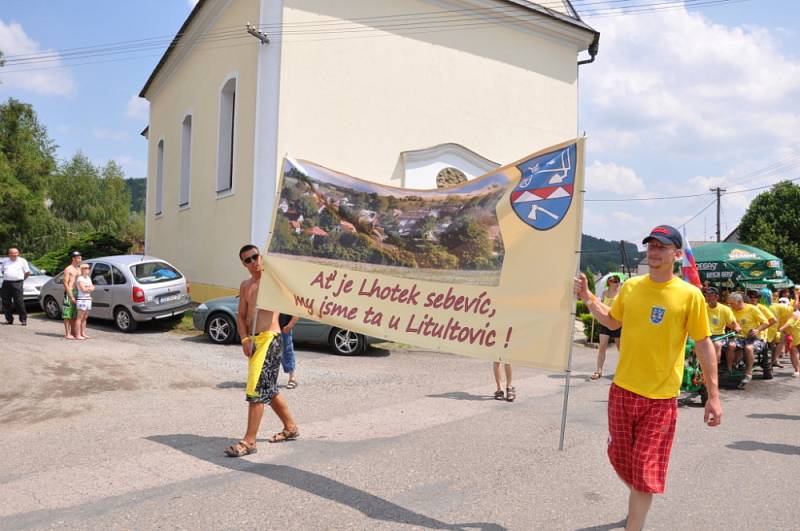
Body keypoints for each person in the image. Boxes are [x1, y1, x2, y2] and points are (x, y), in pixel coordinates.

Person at [574, 225, 721, 531]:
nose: (654, 252)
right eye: (651, 246)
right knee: (620, 459)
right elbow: (612, 320)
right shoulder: (631, 287)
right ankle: (638, 500)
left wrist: (714, 397)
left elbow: (705, 345)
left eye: (662, 247)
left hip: (661, 397)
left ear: (677, 254)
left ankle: (635, 523)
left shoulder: (690, 295)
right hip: (623, 391)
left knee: (643, 469)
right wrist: (588, 297)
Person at [224, 244, 299, 457]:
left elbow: (295, 300)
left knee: (256, 388)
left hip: (270, 339)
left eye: (255, 256)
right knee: (268, 388)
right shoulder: (246, 285)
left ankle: (249, 441)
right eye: (247, 260)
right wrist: (244, 338)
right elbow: (241, 316)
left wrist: (292, 322)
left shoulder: (271, 281)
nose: (253, 262)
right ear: (243, 264)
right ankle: (290, 427)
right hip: (254, 341)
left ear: (261, 256)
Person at [726, 292, 770, 384]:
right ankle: (730, 369)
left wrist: (757, 330)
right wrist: (733, 327)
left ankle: (748, 373)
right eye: (729, 304)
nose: (730, 306)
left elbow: (766, 322)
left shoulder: (752, 309)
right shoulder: (731, 310)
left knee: (749, 348)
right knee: (731, 345)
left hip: (754, 338)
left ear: (739, 301)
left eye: (732, 303)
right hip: (739, 337)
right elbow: (727, 322)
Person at [592, 275, 622, 380]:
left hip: (617, 323)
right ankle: (598, 370)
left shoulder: (620, 294)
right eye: (614, 281)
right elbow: (599, 304)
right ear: (609, 282)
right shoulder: (604, 293)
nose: (617, 283)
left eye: (618, 281)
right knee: (602, 346)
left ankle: (622, 371)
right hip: (605, 323)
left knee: (620, 348)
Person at [704, 286, 739, 363]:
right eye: (706, 295)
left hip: (719, 336)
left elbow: (734, 323)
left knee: (717, 345)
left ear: (717, 297)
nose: (707, 298)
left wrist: (736, 327)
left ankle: (715, 367)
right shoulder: (702, 307)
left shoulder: (725, 309)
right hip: (704, 335)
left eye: (710, 296)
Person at [1, 247, 31, 326]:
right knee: (6, 302)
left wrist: (21, 280)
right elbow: (3, 271)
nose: (15, 255)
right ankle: (9, 319)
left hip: (18, 283)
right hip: (6, 283)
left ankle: (23, 319)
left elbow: (27, 273)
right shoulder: (5, 261)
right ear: (9, 254)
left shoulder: (22, 261)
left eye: (16, 254)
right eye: (13, 254)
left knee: (19, 302)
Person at [62, 251, 82, 340]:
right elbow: (65, 283)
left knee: (75, 313)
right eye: (78, 258)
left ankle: (74, 332)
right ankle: (67, 333)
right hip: (69, 291)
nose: (80, 259)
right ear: (73, 258)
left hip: (78, 292)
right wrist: (70, 295)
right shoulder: (68, 269)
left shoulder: (78, 269)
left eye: (80, 258)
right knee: (67, 314)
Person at [279, 313, 300, 388]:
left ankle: (292, 378)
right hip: (271, 328)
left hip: (284, 327)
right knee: (269, 353)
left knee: (287, 350)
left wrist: (290, 325)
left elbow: (297, 311)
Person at [75, 263, 94, 340]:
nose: (87, 269)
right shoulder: (80, 279)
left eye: (88, 268)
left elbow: (93, 287)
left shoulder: (88, 278)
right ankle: (78, 334)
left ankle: (83, 333)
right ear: (82, 269)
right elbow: (83, 289)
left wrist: (88, 288)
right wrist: (89, 288)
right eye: (85, 268)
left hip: (88, 299)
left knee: (85, 318)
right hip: (82, 299)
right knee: (79, 318)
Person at [778, 309, 800, 377]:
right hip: (795, 336)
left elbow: (790, 322)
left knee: (794, 352)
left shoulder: (795, 313)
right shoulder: (794, 312)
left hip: (796, 336)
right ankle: (797, 370)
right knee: (793, 353)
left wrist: (782, 328)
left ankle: (797, 370)